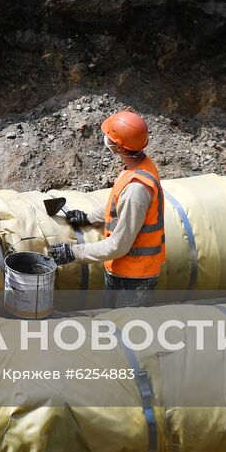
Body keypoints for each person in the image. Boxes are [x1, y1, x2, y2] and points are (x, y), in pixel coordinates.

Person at [48, 110, 165, 309]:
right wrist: (88, 217)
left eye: (109, 137)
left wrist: (73, 252)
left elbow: (119, 245)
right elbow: (116, 204)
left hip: (133, 278)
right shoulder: (137, 167)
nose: (106, 139)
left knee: (127, 333)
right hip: (124, 270)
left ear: (119, 147)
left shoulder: (136, 190)